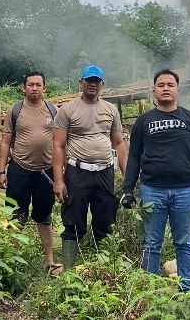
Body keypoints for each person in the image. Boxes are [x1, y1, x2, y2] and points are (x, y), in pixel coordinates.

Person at [121, 69, 190, 292]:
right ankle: (151, 291)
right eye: (161, 84)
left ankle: (186, 291)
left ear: (178, 90)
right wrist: (128, 189)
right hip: (151, 189)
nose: (165, 88)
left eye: (170, 84)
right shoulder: (143, 121)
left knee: (184, 242)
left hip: (185, 191)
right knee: (151, 243)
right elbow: (133, 157)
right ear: (153, 90)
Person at [52, 64, 128, 270]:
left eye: (97, 81)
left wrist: (127, 177)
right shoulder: (67, 109)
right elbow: (58, 145)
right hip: (77, 172)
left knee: (104, 220)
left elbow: (118, 143)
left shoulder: (110, 110)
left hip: (104, 172)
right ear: (81, 83)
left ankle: (102, 270)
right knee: (73, 220)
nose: (92, 84)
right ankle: (68, 272)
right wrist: (58, 180)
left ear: (102, 84)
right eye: (88, 80)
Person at [0, 71, 62, 274]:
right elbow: (6, 141)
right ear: (23, 88)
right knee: (16, 215)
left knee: (44, 215)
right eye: (30, 85)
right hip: (20, 169)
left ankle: (49, 260)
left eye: (38, 85)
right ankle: (12, 260)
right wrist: (1, 171)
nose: (34, 88)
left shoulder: (53, 110)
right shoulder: (15, 110)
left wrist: (61, 173)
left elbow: (61, 142)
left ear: (44, 88)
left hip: (46, 171)